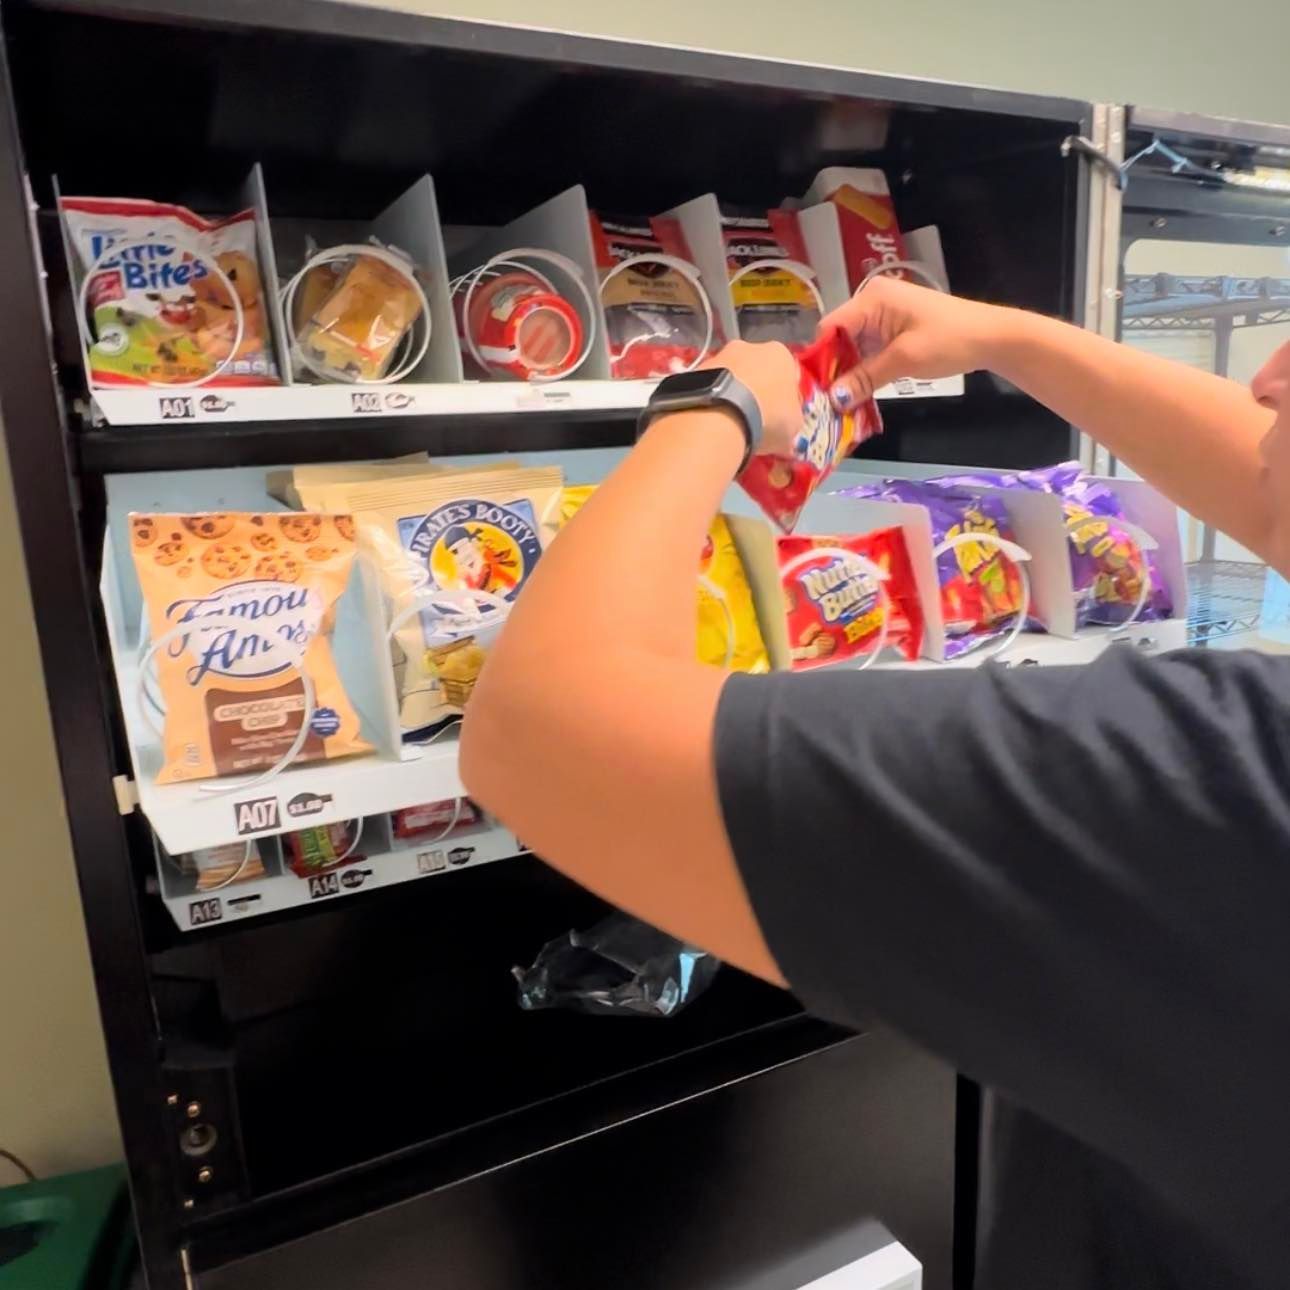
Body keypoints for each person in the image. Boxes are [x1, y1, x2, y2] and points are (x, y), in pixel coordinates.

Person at [460, 277, 1290, 1289]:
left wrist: (709, 409)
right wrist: (1004, 335)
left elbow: (539, 735)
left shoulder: (1227, 781)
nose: (1269, 374)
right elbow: (1268, 478)